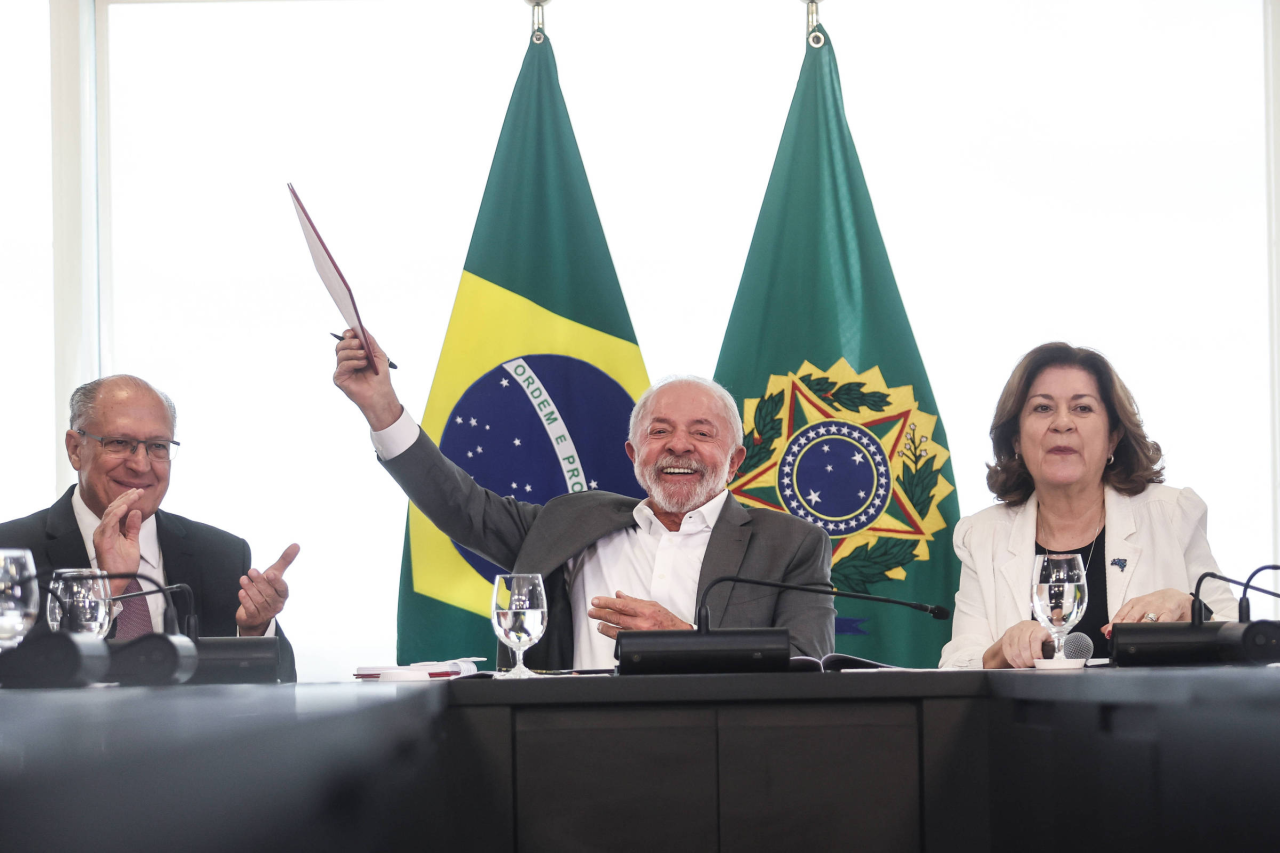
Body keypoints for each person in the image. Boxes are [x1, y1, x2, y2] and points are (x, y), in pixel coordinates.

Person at [332, 330, 835, 671]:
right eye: (660, 431)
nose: (678, 445)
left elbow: (806, 662)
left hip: (723, 758)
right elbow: (461, 507)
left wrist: (684, 640)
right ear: (634, 454)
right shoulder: (571, 522)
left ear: (735, 459)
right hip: (576, 751)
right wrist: (382, 408)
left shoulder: (790, 545)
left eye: (701, 433)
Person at [939, 343, 1237, 669]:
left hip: (1153, 718)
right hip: (1021, 720)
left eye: (1082, 408)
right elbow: (956, 666)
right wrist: (1001, 651)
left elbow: (1241, 637)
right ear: (1016, 440)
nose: (1062, 423)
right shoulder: (982, 537)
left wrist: (1186, 606)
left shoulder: (1171, 515)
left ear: (1113, 438)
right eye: (1042, 408)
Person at [0, 375, 298, 681]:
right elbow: (10, 676)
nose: (141, 465)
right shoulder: (10, 551)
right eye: (119, 443)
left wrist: (253, 631)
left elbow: (280, 688)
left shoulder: (221, 555)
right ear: (75, 449)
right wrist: (105, 591)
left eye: (157, 446)